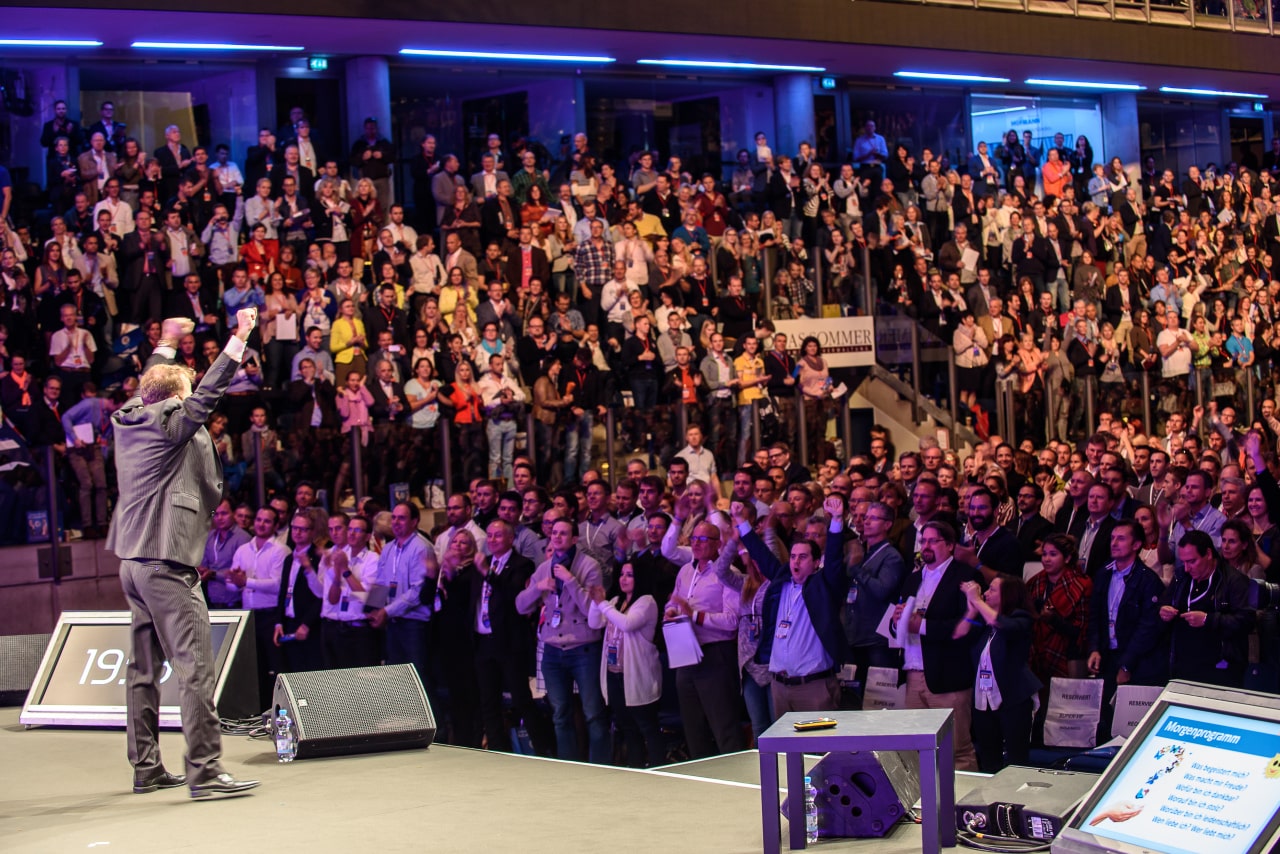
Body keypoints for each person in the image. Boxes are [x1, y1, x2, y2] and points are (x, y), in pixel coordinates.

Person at [106, 309, 260, 798]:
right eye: (185, 394)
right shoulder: (171, 421)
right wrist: (238, 339)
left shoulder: (132, 414)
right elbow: (204, 400)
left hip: (133, 560)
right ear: (176, 401)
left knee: (144, 670)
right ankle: (206, 771)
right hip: (167, 561)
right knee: (195, 667)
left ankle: (147, 767)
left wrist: (168, 341)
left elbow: (149, 382)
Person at [736, 496, 848, 715]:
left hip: (813, 687)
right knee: (786, 749)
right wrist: (741, 521)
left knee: (819, 748)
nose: (795, 562)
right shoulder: (781, 581)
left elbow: (834, 560)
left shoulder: (824, 586)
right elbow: (760, 554)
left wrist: (836, 520)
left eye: (803, 557)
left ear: (816, 563)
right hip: (779, 686)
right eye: (793, 556)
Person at [514, 516, 610, 763]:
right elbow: (521, 606)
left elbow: (593, 612)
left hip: (584, 649)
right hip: (553, 650)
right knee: (560, 714)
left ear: (575, 538)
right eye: (554, 533)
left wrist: (571, 581)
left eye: (563, 533)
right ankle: (568, 765)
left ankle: (600, 765)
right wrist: (538, 588)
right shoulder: (544, 568)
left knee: (592, 713)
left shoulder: (589, 566)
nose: (557, 537)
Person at [894, 521, 981, 771]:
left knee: (957, 750)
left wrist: (920, 625)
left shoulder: (964, 576)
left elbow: (967, 627)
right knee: (917, 751)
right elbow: (901, 622)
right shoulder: (912, 579)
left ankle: (964, 806)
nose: (927, 546)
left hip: (947, 676)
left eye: (933, 541)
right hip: (913, 673)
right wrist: (896, 621)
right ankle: (927, 807)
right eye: (924, 541)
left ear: (951, 545)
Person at [953, 574, 1040, 773]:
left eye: (992, 590)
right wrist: (971, 609)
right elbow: (959, 633)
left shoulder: (1020, 618)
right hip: (983, 699)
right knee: (988, 758)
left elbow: (1004, 625)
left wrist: (976, 599)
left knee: (1017, 759)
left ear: (1007, 595)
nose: (985, 593)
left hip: (1013, 698)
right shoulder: (985, 625)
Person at [587, 560, 664, 768]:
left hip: (638, 675)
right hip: (615, 673)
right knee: (627, 726)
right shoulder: (615, 600)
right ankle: (636, 768)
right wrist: (596, 602)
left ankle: (661, 770)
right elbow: (594, 623)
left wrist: (602, 603)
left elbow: (628, 624)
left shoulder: (646, 601)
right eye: (622, 574)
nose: (623, 578)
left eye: (629, 575)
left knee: (646, 725)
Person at [1163, 531, 1254, 688]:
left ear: (1209, 554)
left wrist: (1208, 619)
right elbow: (1163, 603)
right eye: (1183, 562)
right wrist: (1163, 611)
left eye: (1192, 561)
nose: (1186, 568)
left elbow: (1247, 621)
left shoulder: (1234, 581)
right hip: (1182, 667)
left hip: (1220, 671)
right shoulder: (1181, 577)